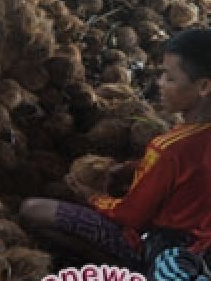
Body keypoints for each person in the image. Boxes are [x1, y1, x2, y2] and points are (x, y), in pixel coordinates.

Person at [20, 28, 211, 268]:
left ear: (204, 87)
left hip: (160, 251)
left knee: (34, 210)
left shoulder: (169, 149)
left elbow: (131, 216)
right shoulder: (191, 138)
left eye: (169, 78)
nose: (160, 84)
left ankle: (131, 274)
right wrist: (134, 168)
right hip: (201, 247)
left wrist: (91, 197)